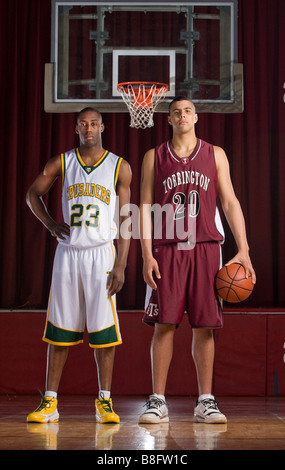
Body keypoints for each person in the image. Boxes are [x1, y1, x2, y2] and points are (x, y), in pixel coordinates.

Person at [139, 96, 256, 424]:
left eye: (187, 110)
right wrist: (147, 254)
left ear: (196, 117)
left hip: (207, 248)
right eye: (176, 112)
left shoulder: (215, 153)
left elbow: (230, 203)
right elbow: (146, 209)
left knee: (205, 327)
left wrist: (244, 249)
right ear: (169, 120)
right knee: (164, 325)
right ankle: (157, 401)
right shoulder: (154, 157)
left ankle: (206, 400)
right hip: (168, 249)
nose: (182, 115)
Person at [26, 107, 132, 424]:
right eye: (83, 123)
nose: (89, 128)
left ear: (103, 126)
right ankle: (50, 402)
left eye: (94, 123)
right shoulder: (62, 161)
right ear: (76, 128)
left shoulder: (119, 167)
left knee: (104, 333)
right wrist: (49, 225)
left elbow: (127, 220)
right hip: (68, 253)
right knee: (59, 329)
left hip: (102, 253)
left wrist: (122, 265)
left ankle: (104, 402)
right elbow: (33, 194)